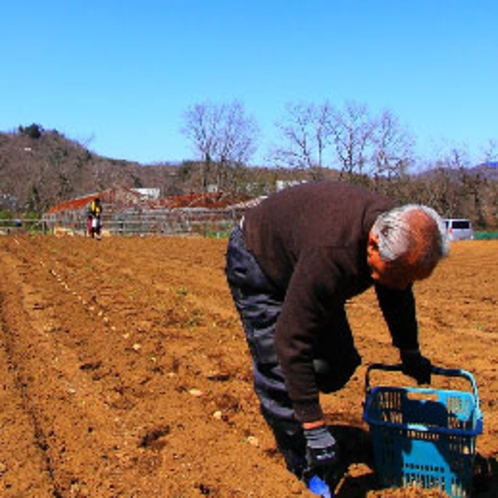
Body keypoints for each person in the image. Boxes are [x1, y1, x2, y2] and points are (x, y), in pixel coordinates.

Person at [225, 180, 450, 491]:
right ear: (372, 244)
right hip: (261, 263)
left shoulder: (396, 239)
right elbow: (292, 340)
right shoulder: (333, 253)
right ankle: (305, 464)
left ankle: (299, 410)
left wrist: (409, 351)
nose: (402, 283)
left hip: (303, 261)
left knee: (339, 363)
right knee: (279, 366)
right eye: (399, 275)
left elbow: (396, 294)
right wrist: (315, 428)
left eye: (410, 278)